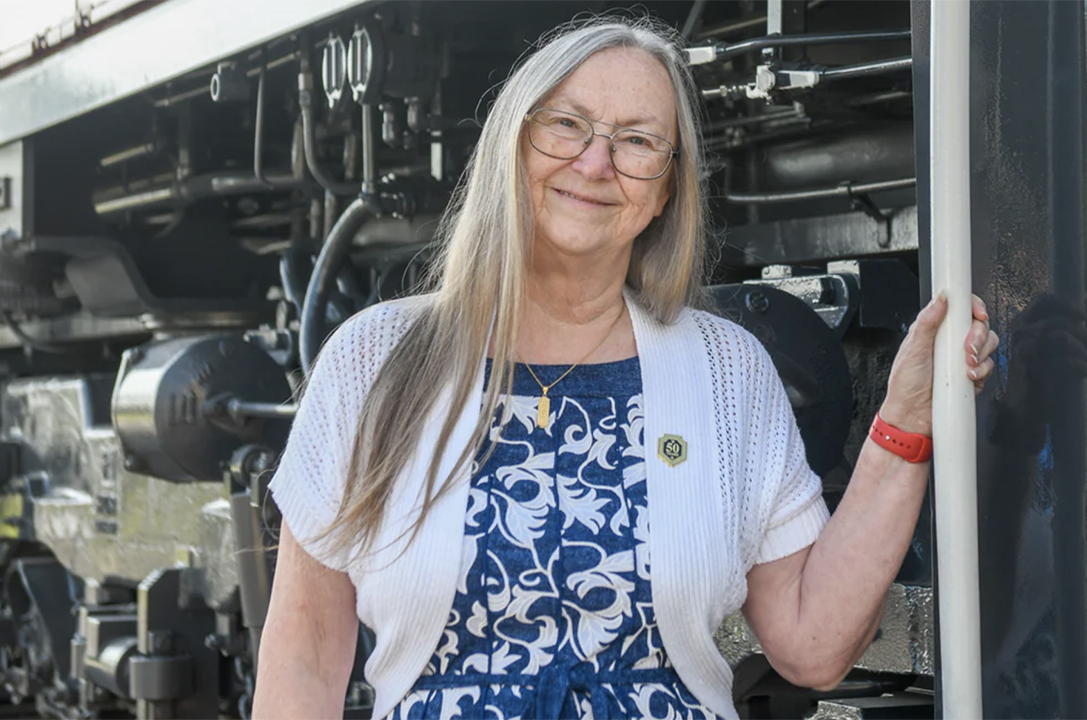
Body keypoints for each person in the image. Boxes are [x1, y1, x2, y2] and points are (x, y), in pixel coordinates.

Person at [252, 17, 998, 720]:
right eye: (567, 125)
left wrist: (902, 422)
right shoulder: (374, 361)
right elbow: (306, 659)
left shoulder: (725, 370)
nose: (597, 162)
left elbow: (814, 645)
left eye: (638, 140)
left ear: (665, 191)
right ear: (514, 144)